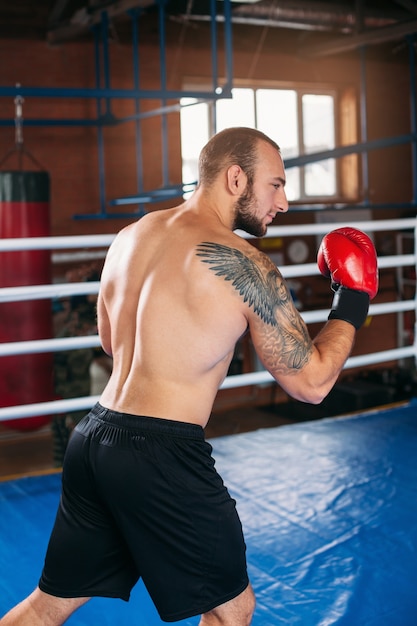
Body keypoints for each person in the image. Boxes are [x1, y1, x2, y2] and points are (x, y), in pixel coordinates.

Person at [1, 127, 378, 626]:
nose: (283, 203)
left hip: (94, 439)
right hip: (159, 454)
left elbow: (112, 344)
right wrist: (351, 301)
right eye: (276, 185)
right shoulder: (246, 265)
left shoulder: (131, 237)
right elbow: (311, 384)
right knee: (231, 611)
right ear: (236, 178)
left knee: (48, 605)